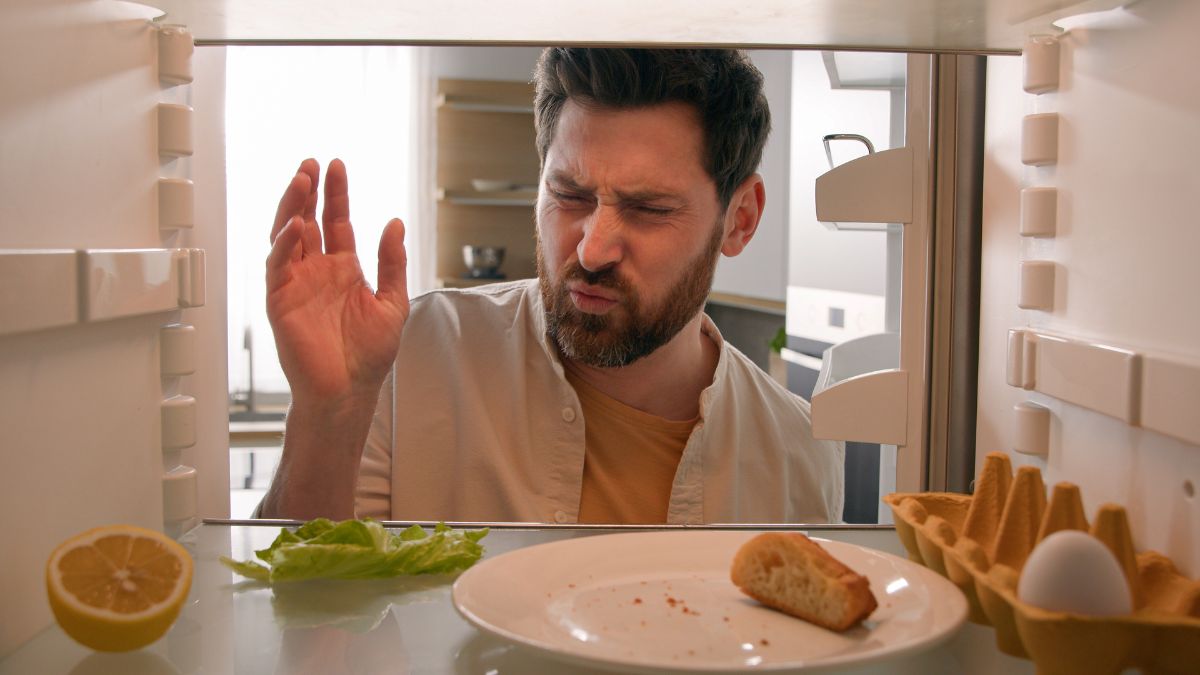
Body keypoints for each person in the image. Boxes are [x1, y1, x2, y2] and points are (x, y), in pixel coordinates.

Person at [258, 48, 844, 524]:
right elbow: (306, 608)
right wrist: (327, 413)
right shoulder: (411, 361)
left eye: (647, 208)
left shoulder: (796, 451)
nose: (592, 249)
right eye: (569, 196)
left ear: (740, 219)